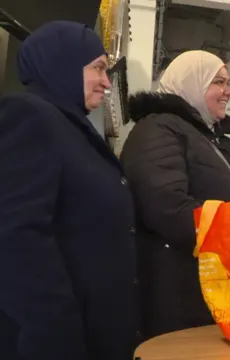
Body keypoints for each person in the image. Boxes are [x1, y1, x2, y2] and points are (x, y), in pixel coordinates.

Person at [0, 21, 138, 359]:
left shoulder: (71, 127)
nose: (107, 82)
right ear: (62, 63)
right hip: (56, 339)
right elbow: (18, 237)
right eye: (99, 68)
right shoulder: (30, 116)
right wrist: (55, 333)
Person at [120, 50, 230, 339]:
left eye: (228, 83)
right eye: (218, 82)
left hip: (216, 286)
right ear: (191, 82)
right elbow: (166, 207)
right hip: (176, 290)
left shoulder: (217, 142)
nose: (228, 91)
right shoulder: (157, 129)